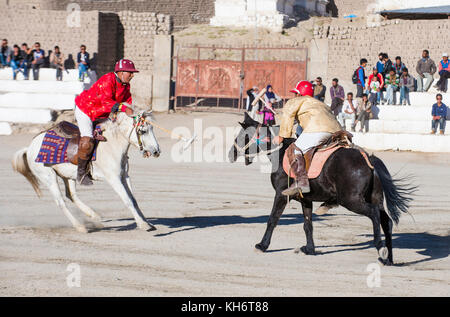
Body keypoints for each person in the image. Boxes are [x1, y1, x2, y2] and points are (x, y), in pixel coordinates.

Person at [74, 59, 138, 185]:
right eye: (129, 72)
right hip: (86, 110)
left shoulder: (126, 85)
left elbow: (127, 102)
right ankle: (81, 173)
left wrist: (135, 115)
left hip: (101, 113)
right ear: (120, 72)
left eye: (132, 73)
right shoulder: (107, 80)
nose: (132, 75)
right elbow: (106, 102)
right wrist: (125, 109)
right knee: (87, 140)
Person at [273, 80, 341, 196]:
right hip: (336, 131)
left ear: (300, 94)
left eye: (296, 93)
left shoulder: (296, 101)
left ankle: (302, 181)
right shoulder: (319, 103)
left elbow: (288, 116)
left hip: (318, 130)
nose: (295, 96)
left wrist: (282, 136)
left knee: (293, 149)